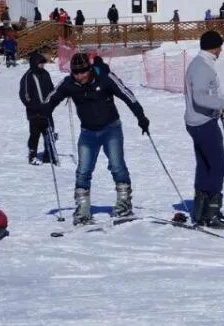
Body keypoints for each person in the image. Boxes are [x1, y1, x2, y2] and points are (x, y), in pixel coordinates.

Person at [38, 53, 149, 225]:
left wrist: (140, 117)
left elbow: (127, 95)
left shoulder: (105, 78)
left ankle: (124, 205)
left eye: (83, 72)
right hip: (88, 132)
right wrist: (45, 110)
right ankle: (82, 210)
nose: (80, 76)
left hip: (111, 129)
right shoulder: (69, 83)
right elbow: (52, 97)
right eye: (76, 73)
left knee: (117, 166)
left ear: (89, 69)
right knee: (83, 170)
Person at [183, 31, 224, 228]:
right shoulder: (202, 67)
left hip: (198, 120)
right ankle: (212, 213)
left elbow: (205, 94)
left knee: (205, 166)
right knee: (218, 166)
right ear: (215, 47)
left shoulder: (200, 63)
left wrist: (217, 107)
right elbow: (200, 97)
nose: (221, 50)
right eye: (220, 46)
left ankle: (201, 212)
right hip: (203, 123)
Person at [19, 51, 57, 165]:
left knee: (49, 132)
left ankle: (48, 154)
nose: (42, 65)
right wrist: (33, 106)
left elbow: (51, 88)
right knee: (35, 134)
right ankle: (32, 155)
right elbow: (24, 95)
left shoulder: (45, 74)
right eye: (40, 63)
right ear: (35, 63)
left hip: (46, 110)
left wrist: (54, 99)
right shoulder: (28, 76)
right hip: (34, 112)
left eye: (43, 63)